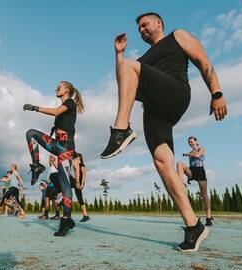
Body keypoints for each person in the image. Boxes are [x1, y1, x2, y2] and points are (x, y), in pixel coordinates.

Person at [100, 12, 227, 251]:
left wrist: (216, 93)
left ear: (159, 23)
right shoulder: (142, 59)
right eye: (139, 28)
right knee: (162, 162)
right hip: (154, 110)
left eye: (145, 25)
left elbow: (204, 62)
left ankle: (121, 131)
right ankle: (193, 227)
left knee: (130, 67)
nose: (141, 30)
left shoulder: (177, 36)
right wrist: (119, 53)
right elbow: (123, 80)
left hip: (175, 93)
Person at [24, 81, 85, 236]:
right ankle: (37, 165)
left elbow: (56, 112)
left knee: (65, 185)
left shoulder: (70, 102)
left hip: (66, 148)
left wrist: (35, 108)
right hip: (58, 143)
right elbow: (60, 117)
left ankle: (66, 219)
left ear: (67, 90)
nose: (56, 89)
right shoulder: (65, 107)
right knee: (31, 133)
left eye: (59, 87)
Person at [177, 136, 212, 226]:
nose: (190, 143)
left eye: (191, 141)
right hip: (192, 171)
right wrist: (188, 177)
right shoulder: (190, 152)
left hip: (200, 171)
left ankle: (208, 217)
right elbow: (190, 164)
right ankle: (181, 183)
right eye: (189, 142)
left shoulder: (201, 149)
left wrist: (188, 154)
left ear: (196, 141)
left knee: (204, 194)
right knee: (179, 163)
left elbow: (197, 156)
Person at [70, 152, 90, 222]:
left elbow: (84, 175)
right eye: (75, 157)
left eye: (76, 157)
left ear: (80, 158)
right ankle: (85, 215)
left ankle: (85, 215)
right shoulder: (76, 165)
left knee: (80, 198)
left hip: (79, 183)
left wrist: (82, 184)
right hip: (76, 182)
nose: (75, 158)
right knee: (80, 198)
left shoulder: (81, 165)